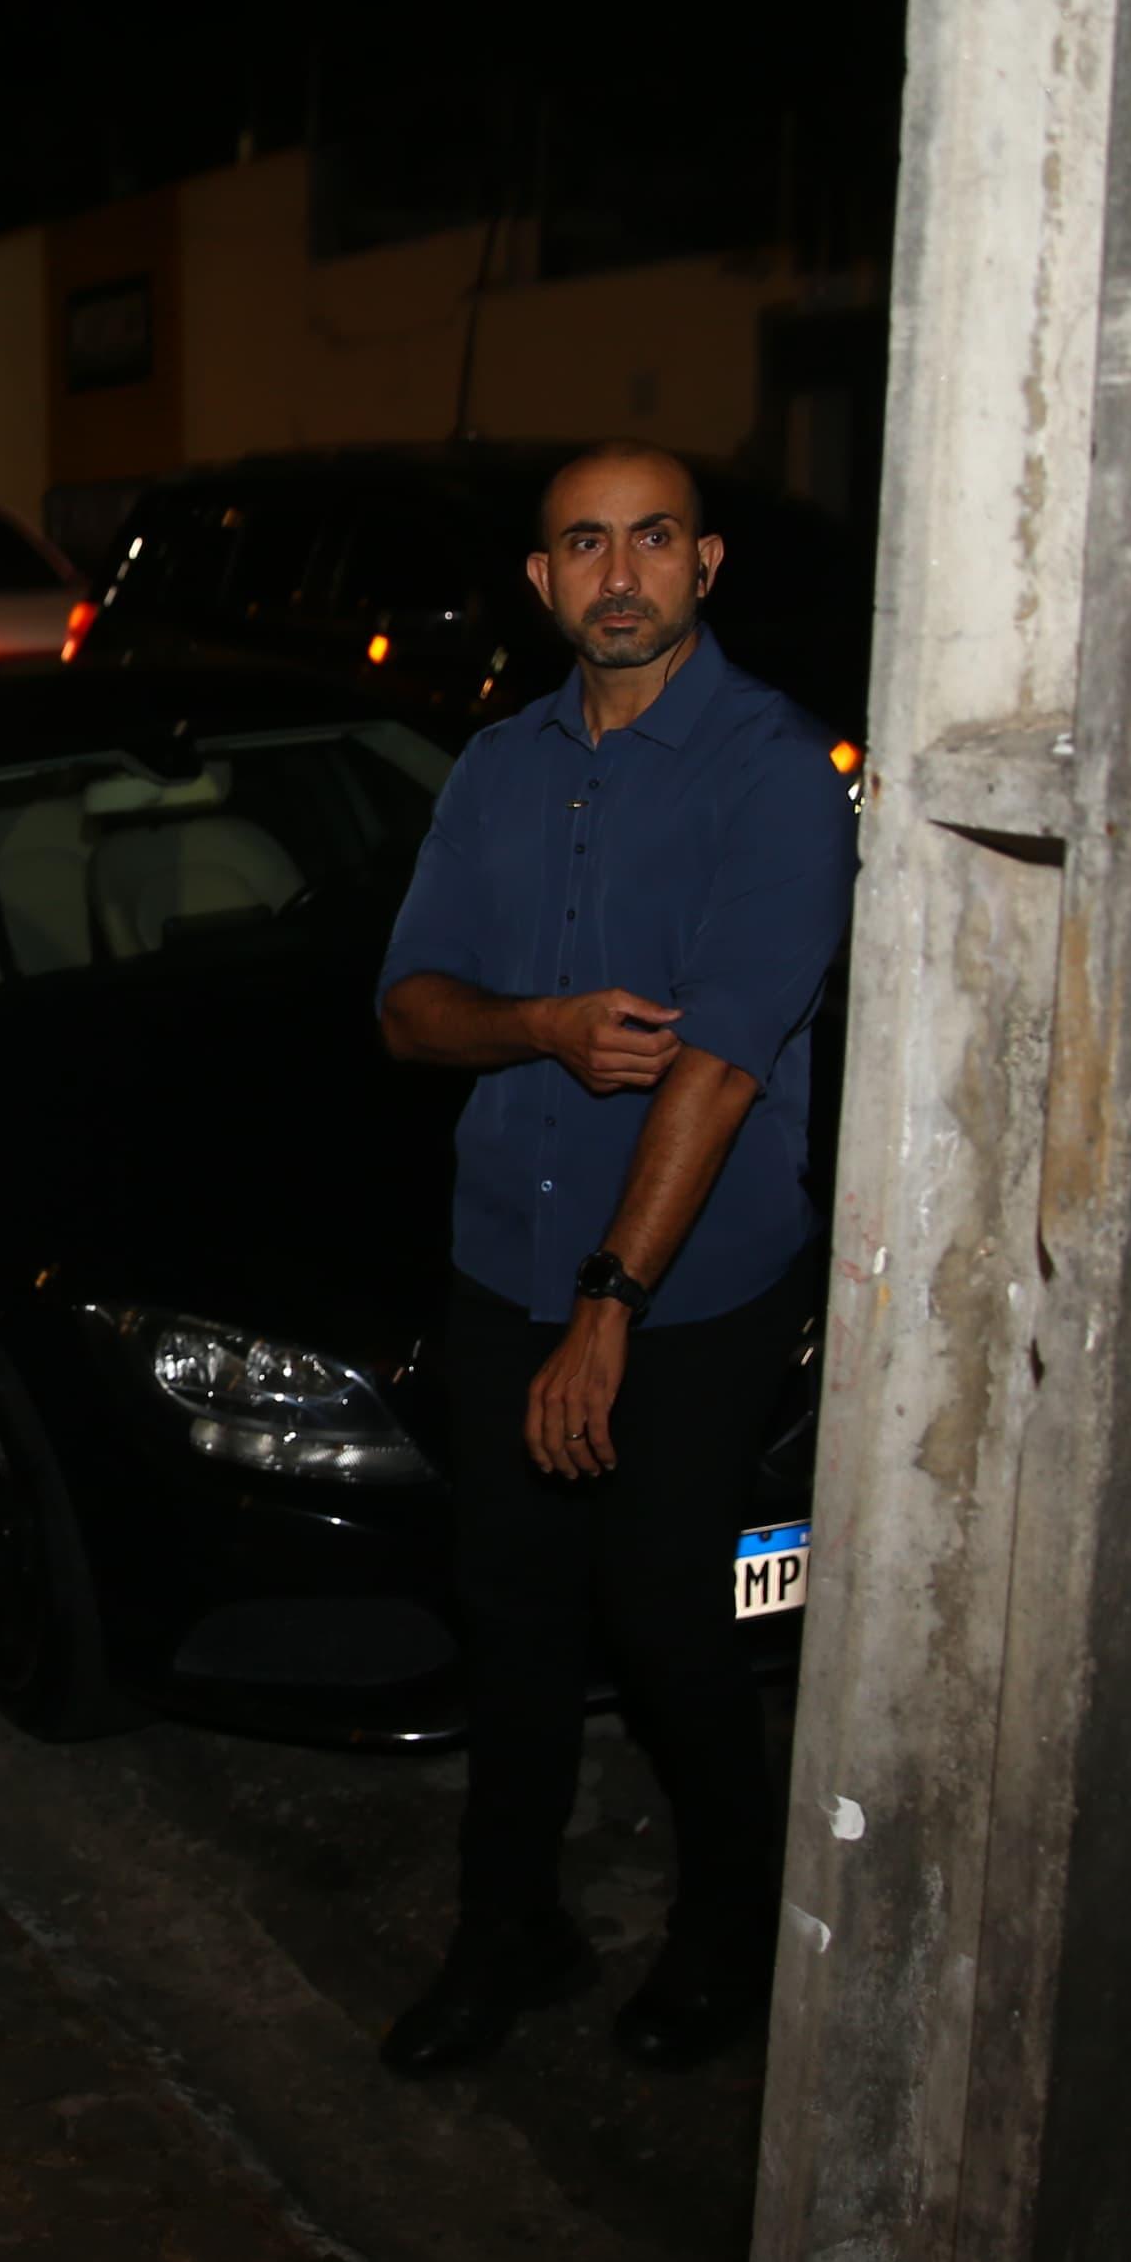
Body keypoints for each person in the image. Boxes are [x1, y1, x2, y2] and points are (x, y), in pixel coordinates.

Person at [370, 440, 858, 2077]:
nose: (621, 572)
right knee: (509, 1623)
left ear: (706, 564)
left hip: (693, 1285)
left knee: (666, 1623)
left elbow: (720, 1065)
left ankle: (730, 1927)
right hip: (502, 1258)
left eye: (654, 538)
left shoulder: (776, 770)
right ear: (544, 580)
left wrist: (612, 1305)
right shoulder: (500, 768)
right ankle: (511, 1929)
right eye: (585, 543)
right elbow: (410, 1008)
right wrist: (549, 1031)